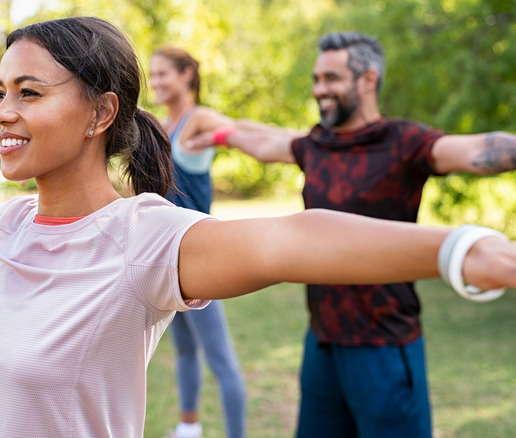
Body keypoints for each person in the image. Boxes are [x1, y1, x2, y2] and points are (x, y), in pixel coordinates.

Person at [0, 18, 516, 438]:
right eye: (1, 92)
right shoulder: (3, 230)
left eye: (29, 92)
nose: (2, 111)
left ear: (101, 113)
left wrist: (457, 247)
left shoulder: (145, 240)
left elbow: (293, 239)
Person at [185, 31, 516, 438]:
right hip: (322, 343)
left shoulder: (405, 143)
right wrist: (217, 135)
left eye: (331, 78)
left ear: (367, 79)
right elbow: (262, 140)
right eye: (316, 79)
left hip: (384, 347)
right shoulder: (315, 144)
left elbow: (479, 149)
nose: (319, 89)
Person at [149, 47, 246, 438]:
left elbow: (242, 131)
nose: (155, 82)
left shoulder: (199, 119)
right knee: (186, 351)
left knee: (220, 359)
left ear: (187, 74)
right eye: (152, 75)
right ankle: (188, 428)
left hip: (201, 257)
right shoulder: (161, 124)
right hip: (168, 259)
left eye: (163, 74)